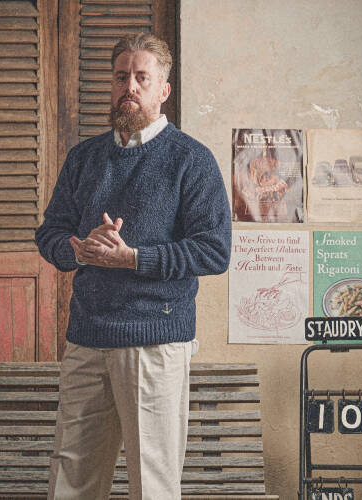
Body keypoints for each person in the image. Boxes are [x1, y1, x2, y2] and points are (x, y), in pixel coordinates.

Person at [35, 32, 231, 500]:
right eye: (121, 77)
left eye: (142, 77)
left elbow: (214, 250)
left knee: (153, 485)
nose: (130, 87)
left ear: (164, 89)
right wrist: (78, 249)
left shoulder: (191, 160)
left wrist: (133, 258)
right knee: (71, 481)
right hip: (87, 339)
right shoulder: (83, 159)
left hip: (155, 344)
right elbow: (50, 234)